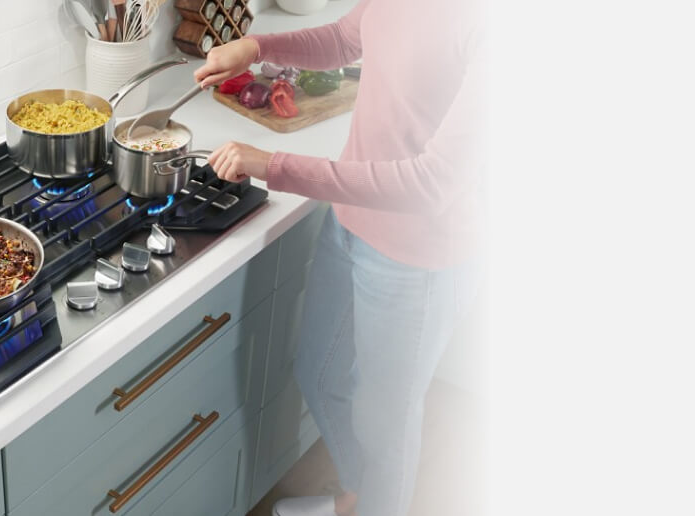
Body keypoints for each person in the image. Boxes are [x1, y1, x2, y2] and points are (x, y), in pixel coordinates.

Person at [192, 1, 485, 515]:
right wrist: (255, 47)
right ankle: (358, 496)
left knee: (386, 426)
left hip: (416, 262)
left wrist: (273, 164)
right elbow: (346, 38)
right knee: (320, 375)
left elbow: (429, 184)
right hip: (347, 226)